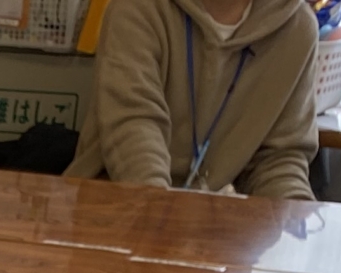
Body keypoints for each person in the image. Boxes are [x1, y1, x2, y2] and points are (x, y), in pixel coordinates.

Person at [65, 0, 320, 199]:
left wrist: (295, 223)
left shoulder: (297, 28)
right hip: (115, 206)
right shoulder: (137, 8)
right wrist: (160, 210)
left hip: (208, 223)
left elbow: (278, 160)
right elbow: (132, 129)